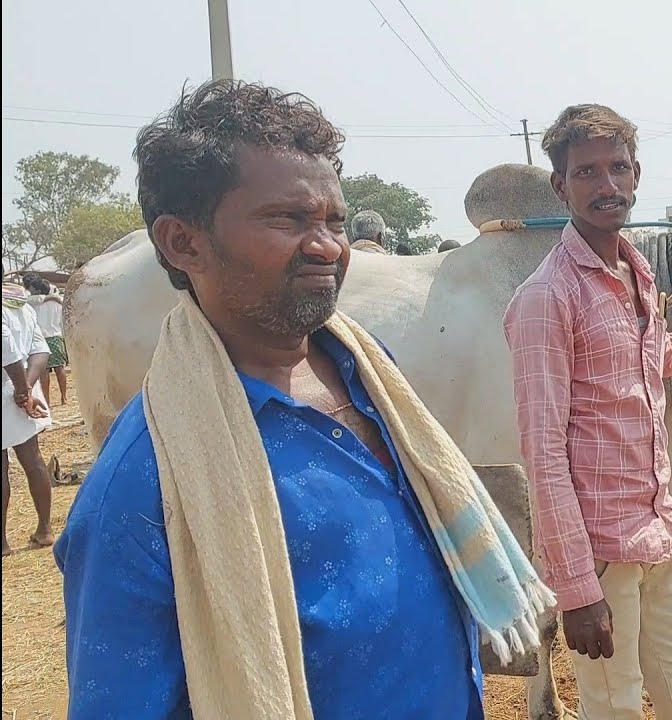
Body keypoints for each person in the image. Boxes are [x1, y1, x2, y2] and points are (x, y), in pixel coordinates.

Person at [54, 79, 550, 719]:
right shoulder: (144, 486)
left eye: (333, 221)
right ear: (183, 242)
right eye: (288, 219)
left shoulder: (372, 380)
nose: (327, 246)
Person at [504, 103, 672, 720]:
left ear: (636, 174)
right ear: (560, 186)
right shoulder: (546, 297)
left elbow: (643, 360)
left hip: (658, 530)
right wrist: (577, 591)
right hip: (601, 554)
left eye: (617, 168)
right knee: (612, 707)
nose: (606, 185)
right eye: (586, 172)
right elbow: (542, 452)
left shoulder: (635, 274)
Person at [2, 282, 55, 556]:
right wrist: (26, 390)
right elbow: (40, 350)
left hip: (11, 391)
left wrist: (22, 392)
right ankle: (44, 529)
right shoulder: (19, 304)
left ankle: (2, 542)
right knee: (33, 460)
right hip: (20, 392)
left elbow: (7, 352)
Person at [23, 275, 69, 406]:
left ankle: (47, 400)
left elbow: (30, 299)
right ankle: (64, 398)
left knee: (44, 373)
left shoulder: (32, 302)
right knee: (60, 369)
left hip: (41, 339)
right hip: (56, 337)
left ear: (37, 290)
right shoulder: (57, 303)